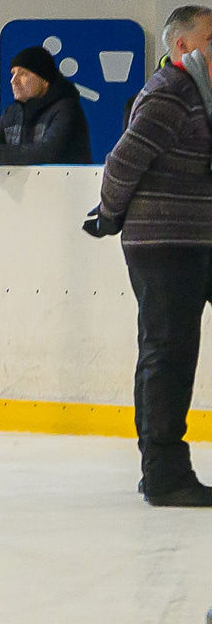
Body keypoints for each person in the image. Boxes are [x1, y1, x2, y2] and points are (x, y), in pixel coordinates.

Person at [92, 45, 212, 504]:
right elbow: (122, 162)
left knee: (169, 350)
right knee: (168, 352)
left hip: (194, 237)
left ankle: (161, 466)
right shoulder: (173, 92)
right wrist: (107, 214)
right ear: (183, 44)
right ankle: (163, 473)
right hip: (166, 241)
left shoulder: (199, 93)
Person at [0, 45, 89, 166]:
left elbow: (49, 153)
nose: (13, 81)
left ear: (45, 80)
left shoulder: (67, 109)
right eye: (13, 74)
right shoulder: (12, 112)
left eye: (23, 74)